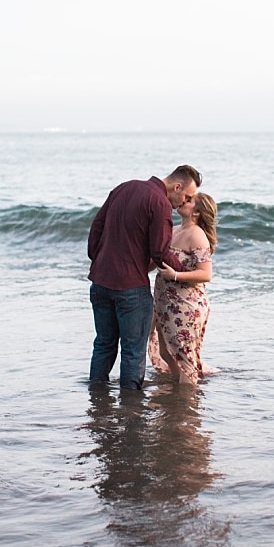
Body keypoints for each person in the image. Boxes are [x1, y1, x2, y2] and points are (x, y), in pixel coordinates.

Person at [88, 165, 202, 390]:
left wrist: (98, 259)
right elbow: (160, 252)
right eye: (187, 196)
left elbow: (97, 226)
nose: (183, 202)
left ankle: (97, 402)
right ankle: (132, 412)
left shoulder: (124, 188)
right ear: (176, 186)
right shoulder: (159, 203)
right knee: (133, 351)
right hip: (130, 288)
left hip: (100, 282)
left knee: (103, 344)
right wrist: (185, 275)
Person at [148, 192, 217, 386]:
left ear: (196, 213)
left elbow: (206, 274)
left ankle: (188, 406)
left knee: (184, 359)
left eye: (190, 200)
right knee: (165, 352)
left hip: (186, 305)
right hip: (165, 303)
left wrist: (176, 276)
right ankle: (178, 394)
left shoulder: (196, 235)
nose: (184, 200)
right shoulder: (174, 229)